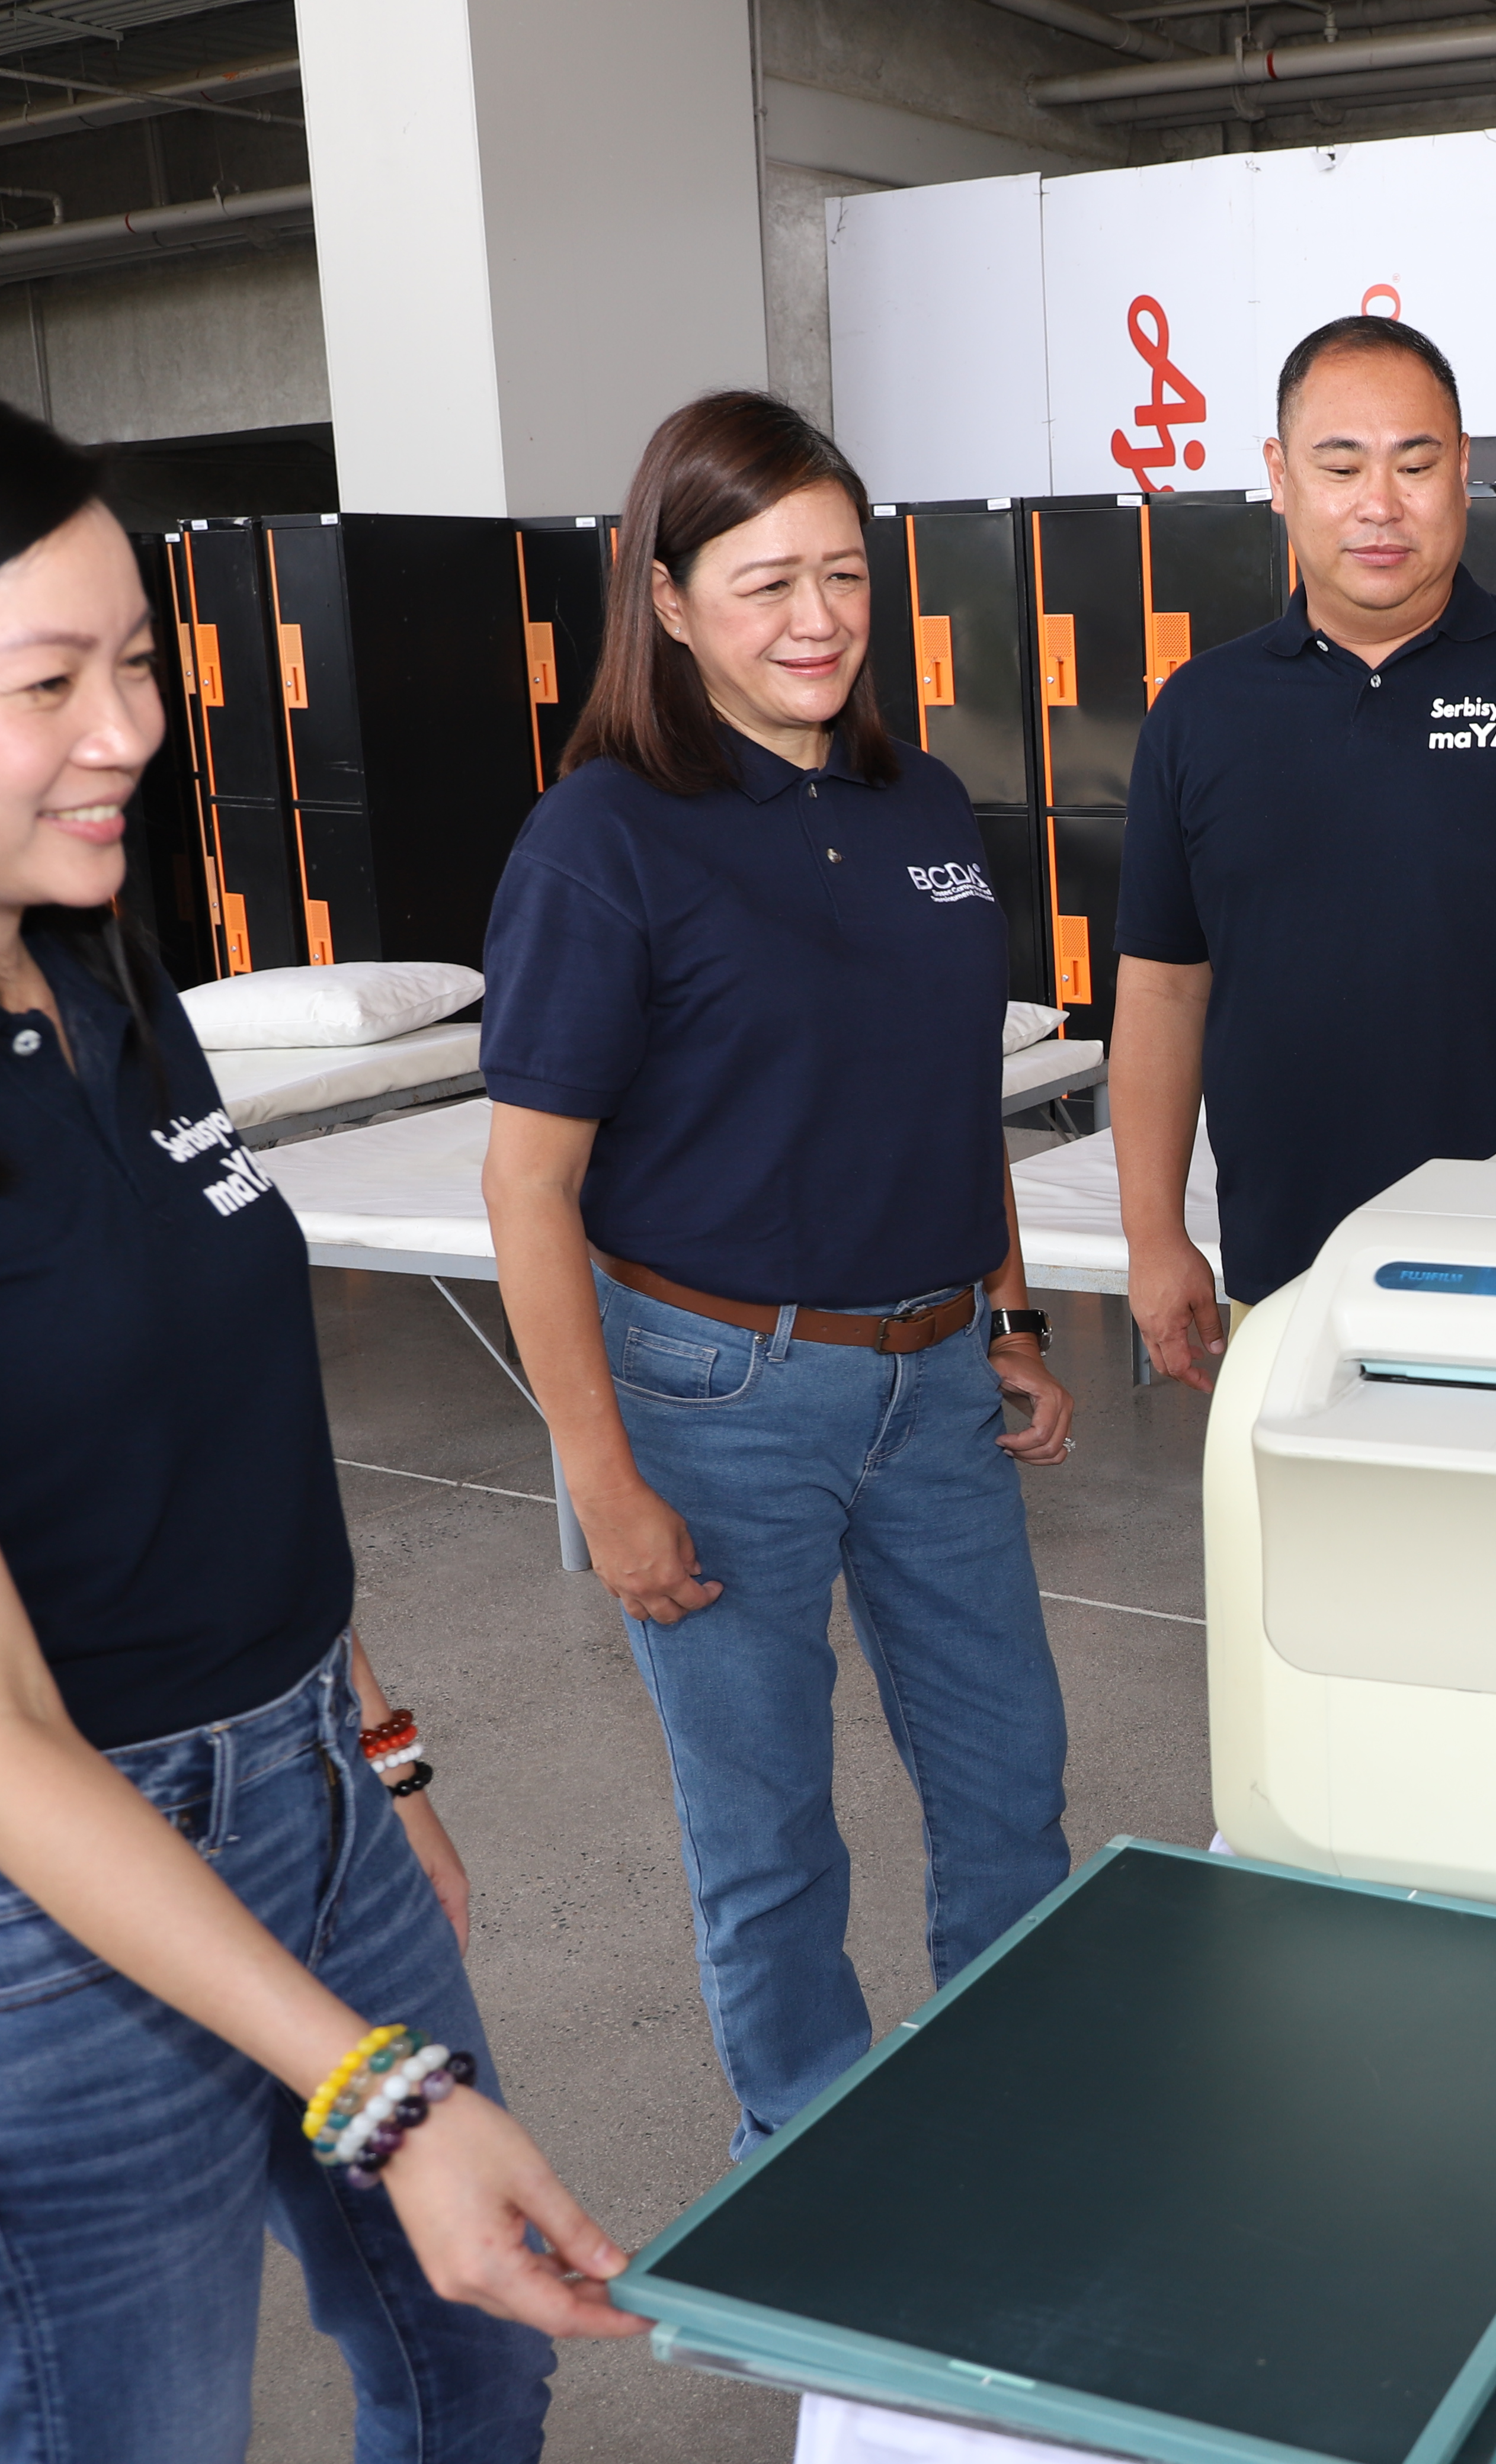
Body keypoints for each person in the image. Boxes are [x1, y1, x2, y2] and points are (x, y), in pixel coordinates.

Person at [0, 362, 630, 2459]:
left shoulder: (96, 974)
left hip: (300, 1783)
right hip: (5, 1910)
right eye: (47, 683)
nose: (127, 730)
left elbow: (234, 1428)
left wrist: (373, 1760)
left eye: (136, 663)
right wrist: (380, 2093)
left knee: (479, 2356)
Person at [479, 394, 1077, 2158]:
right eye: (764, 584)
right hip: (718, 1398)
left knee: (1009, 1782)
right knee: (770, 1837)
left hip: (939, 1374)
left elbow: (949, 1092)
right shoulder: (604, 837)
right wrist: (605, 1480)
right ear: (667, 601)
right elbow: (530, 1183)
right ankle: (806, 2172)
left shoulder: (923, 802)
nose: (816, 619)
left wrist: (1009, 1314)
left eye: (843, 575)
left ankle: (1011, 2133)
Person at [1111, 315, 1496, 1380]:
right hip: (1293, 1276)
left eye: (1415, 464)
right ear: (1279, 477)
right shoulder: (1200, 713)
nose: (1380, 504)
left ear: (1461, 471)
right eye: (1340, 466)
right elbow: (1164, 989)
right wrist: (1154, 1237)